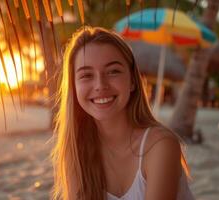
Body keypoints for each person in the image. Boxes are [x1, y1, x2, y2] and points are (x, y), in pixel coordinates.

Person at [51, 26, 194, 200]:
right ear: (73, 87)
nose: (100, 85)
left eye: (113, 72)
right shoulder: (75, 149)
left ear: (133, 81)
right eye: (86, 75)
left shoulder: (160, 145)